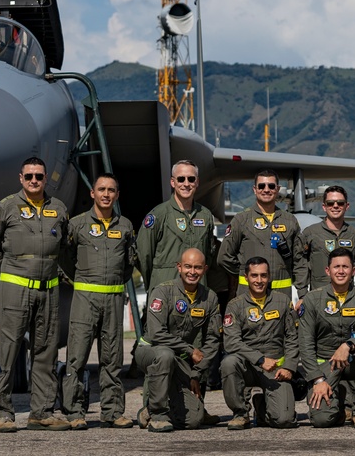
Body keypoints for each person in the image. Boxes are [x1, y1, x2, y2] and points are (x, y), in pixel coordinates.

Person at [0, 156, 70, 432]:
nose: (34, 180)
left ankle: (41, 411)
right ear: (21, 178)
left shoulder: (58, 208)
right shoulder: (6, 207)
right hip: (15, 289)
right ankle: (4, 412)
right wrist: (11, 270)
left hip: (48, 290)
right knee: (8, 350)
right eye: (29, 176)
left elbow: (64, 247)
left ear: (46, 179)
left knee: (46, 351)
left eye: (39, 176)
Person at [60, 173, 135, 430]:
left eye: (111, 190)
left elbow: (128, 264)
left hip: (113, 297)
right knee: (77, 357)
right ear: (92, 193)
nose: (106, 194)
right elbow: (66, 257)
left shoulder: (125, 226)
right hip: (85, 297)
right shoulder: (77, 225)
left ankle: (112, 411)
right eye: (101, 189)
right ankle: (74, 412)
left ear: (116, 195)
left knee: (113, 358)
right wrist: (81, 279)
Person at [134, 248, 221, 433]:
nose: (192, 272)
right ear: (179, 267)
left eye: (197, 267)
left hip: (179, 360)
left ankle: (150, 410)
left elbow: (213, 340)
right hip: (150, 351)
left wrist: (196, 373)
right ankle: (157, 415)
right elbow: (157, 333)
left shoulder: (210, 297)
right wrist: (190, 350)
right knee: (165, 355)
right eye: (188, 266)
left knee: (193, 421)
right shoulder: (162, 292)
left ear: (204, 269)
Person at [299, 247, 355, 429]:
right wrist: (318, 380)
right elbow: (305, 344)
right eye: (336, 267)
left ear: (353, 271)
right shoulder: (312, 299)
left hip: (352, 363)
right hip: (325, 367)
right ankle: (340, 403)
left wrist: (349, 345)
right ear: (328, 271)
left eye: (345, 267)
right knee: (322, 421)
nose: (341, 271)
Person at [221, 256, 299, 430]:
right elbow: (231, 342)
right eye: (254, 276)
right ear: (246, 277)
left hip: (275, 367)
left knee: (285, 420)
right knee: (228, 363)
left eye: (263, 276)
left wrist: (289, 366)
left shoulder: (282, 301)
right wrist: (260, 359)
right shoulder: (235, 305)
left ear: (269, 277)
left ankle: (262, 406)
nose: (259, 280)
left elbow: (293, 337)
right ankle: (240, 413)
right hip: (247, 365)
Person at [219, 169, 308, 300]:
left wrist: (302, 295)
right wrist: (248, 273)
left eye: (271, 186)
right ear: (255, 189)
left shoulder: (290, 221)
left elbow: (299, 261)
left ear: (277, 189)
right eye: (261, 186)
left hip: (281, 296)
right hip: (248, 296)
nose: (266, 190)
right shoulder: (242, 220)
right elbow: (224, 257)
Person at [135, 160, 221, 295]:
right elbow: (143, 256)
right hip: (165, 291)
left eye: (191, 179)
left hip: (197, 293)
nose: (186, 184)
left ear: (197, 182)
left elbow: (208, 254)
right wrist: (156, 281)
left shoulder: (205, 216)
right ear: (172, 182)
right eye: (181, 179)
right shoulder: (158, 215)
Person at [301, 186, 355, 290]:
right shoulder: (310, 233)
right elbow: (299, 266)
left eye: (340, 203)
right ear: (324, 206)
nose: (335, 206)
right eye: (330, 203)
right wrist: (302, 294)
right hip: (319, 297)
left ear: (347, 206)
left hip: (348, 297)